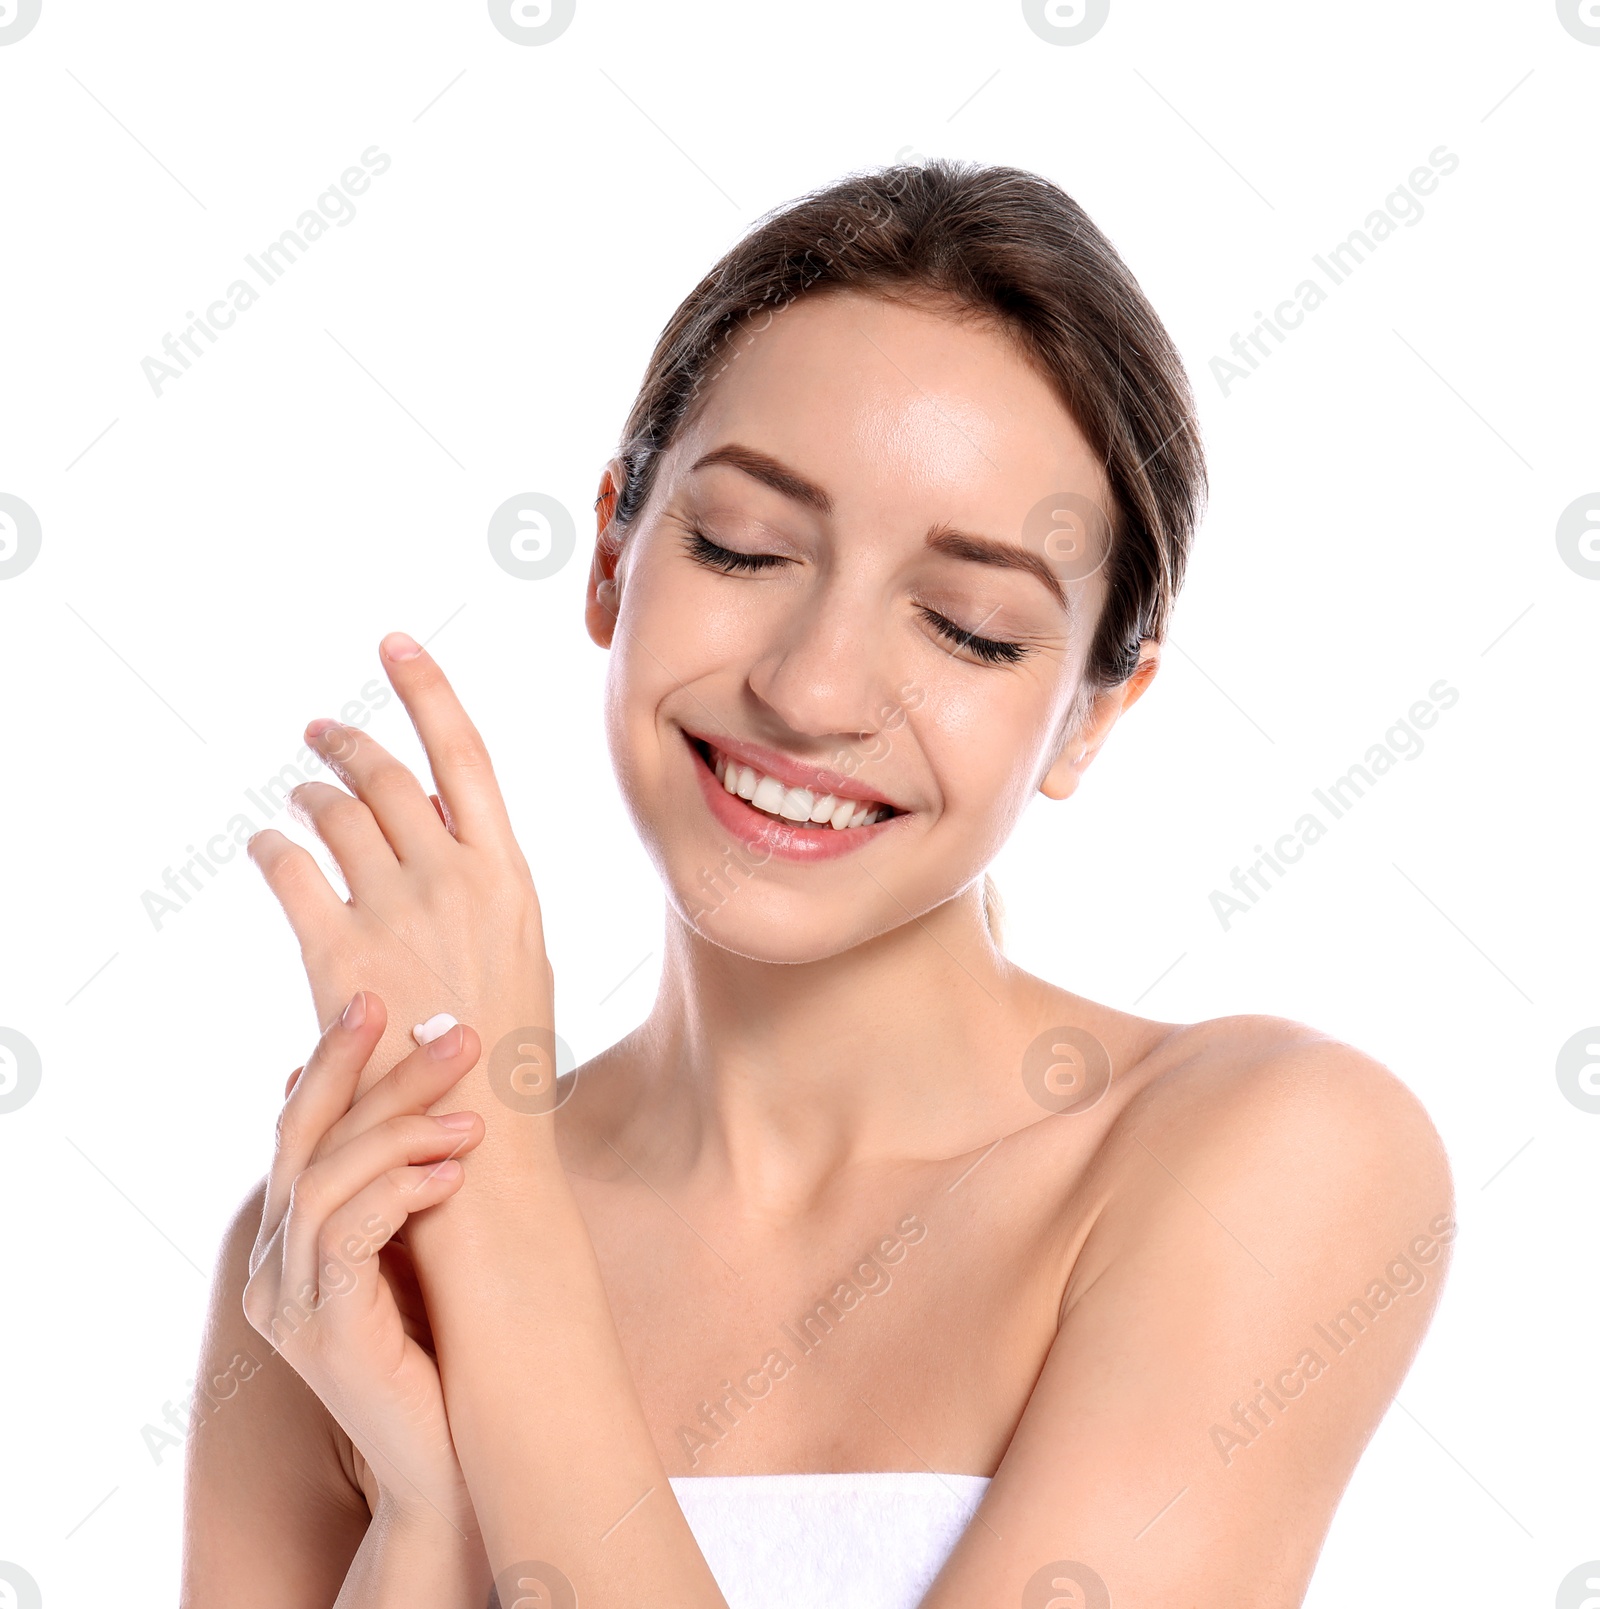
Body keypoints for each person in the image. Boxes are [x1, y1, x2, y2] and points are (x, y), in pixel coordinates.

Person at [181, 158, 1453, 1609]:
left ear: (1096, 712)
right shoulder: (337, 1243)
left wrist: (501, 1199)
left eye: (970, 628)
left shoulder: (1266, 1155)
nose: (814, 685)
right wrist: (423, 1515)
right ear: (610, 551)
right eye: (745, 546)